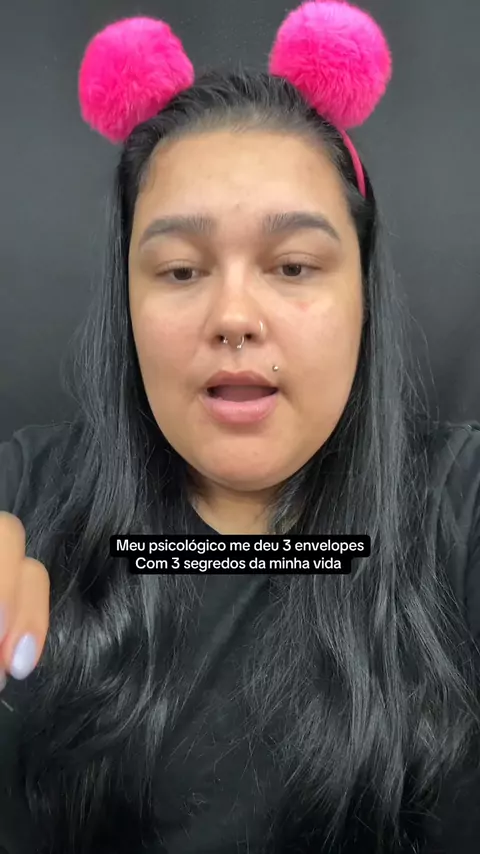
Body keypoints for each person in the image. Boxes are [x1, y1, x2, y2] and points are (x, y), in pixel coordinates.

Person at [0, 2, 479, 852]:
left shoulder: (460, 508)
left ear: (364, 296)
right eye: (181, 270)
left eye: (292, 266)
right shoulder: (26, 498)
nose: (232, 317)